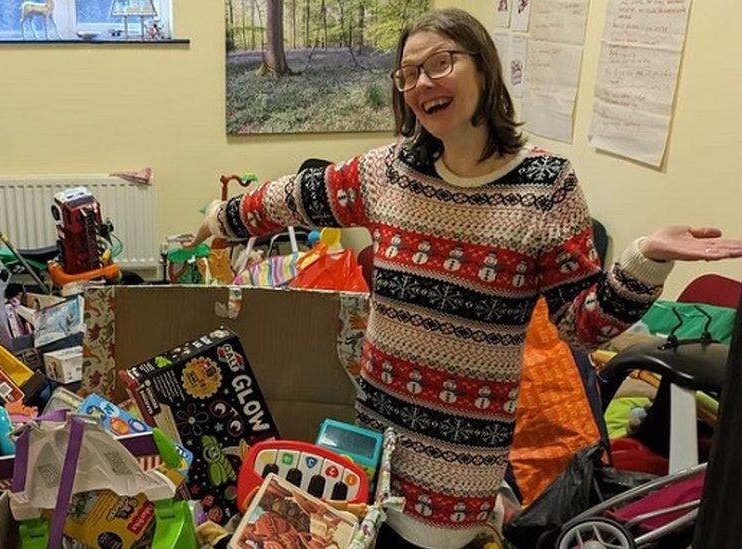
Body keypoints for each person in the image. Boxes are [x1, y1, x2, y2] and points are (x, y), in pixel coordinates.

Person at [193, 8, 742, 548]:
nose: (420, 83)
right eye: (407, 74)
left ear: (483, 67)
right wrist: (222, 220)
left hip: (460, 462)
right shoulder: (389, 171)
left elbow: (583, 327)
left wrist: (646, 257)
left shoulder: (546, 186)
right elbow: (297, 195)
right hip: (375, 430)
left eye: (439, 63)